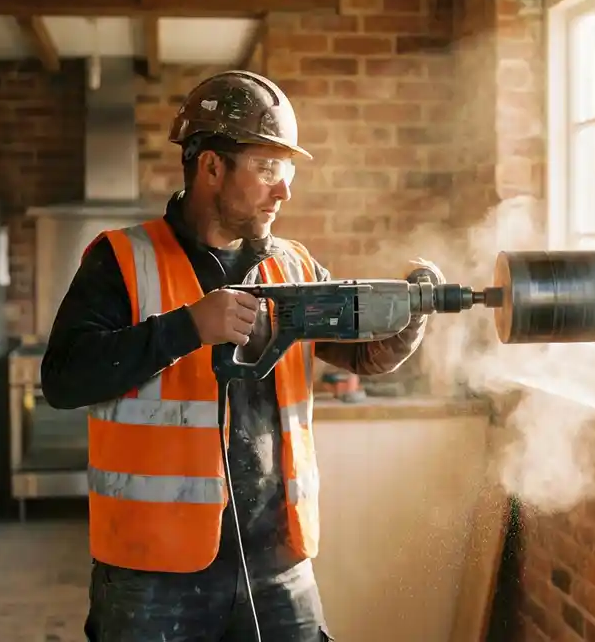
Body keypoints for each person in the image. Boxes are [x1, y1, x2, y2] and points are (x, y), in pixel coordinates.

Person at [40, 70, 442, 642]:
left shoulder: (293, 266)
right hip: (151, 572)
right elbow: (63, 379)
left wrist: (412, 316)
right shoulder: (122, 260)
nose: (284, 191)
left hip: (277, 566)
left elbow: (364, 356)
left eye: (288, 172)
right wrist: (187, 328)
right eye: (267, 168)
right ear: (211, 167)